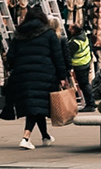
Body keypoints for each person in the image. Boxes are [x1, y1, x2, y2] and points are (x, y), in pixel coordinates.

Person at [5, 8, 69, 149]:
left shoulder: (18, 35)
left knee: (36, 105)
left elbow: (10, 56)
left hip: (22, 75)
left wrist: (16, 67)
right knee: (35, 107)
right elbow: (57, 57)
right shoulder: (49, 34)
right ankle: (25, 138)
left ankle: (45, 136)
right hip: (45, 74)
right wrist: (62, 76)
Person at [67, 25, 95, 110]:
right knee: (86, 84)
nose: (68, 28)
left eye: (70, 28)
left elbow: (69, 55)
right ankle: (91, 102)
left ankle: (90, 104)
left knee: (84, 85)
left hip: (79, 65)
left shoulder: (74, 43)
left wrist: (68, 66)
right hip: (85, 62)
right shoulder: (84, 36)